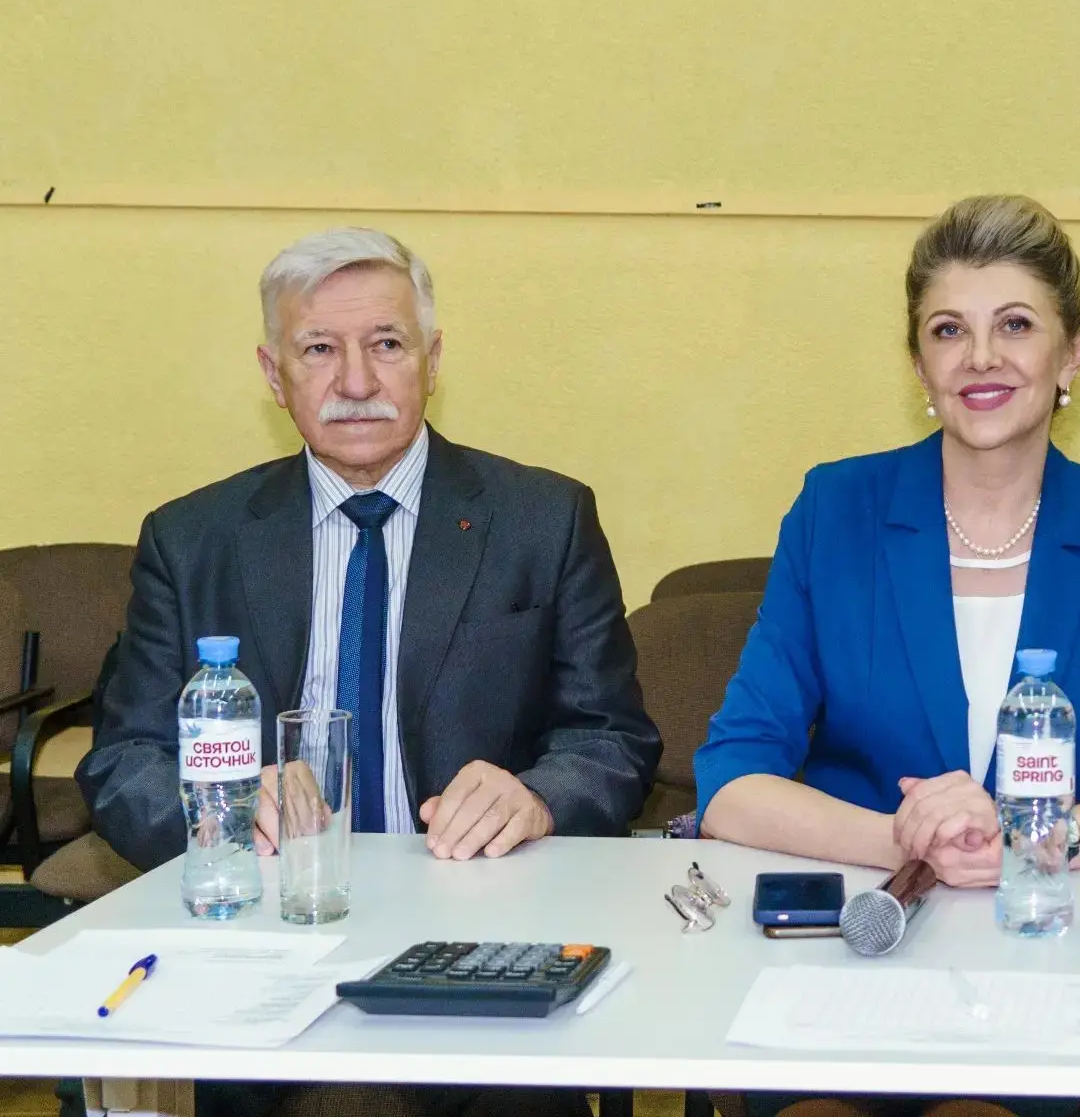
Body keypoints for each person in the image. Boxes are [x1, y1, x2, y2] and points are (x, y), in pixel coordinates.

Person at [78, 227, 661, 1117]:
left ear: (433, 359)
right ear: (275, 376)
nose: (356, 382)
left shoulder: (544, 519)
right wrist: (220, 813)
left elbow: (611, 736)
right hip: (267, 936)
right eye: (319, 349)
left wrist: (539, 796)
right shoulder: (192, 539)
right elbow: (125, 760)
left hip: (486, 931)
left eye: (386, 344)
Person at [696, 194, 1080, 885]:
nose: (981, 357)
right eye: (949, 331)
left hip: (1056, 916)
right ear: (920, 366)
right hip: (874, 908)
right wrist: (908, 842)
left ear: (1072, 355)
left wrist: (1048, 840)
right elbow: (732, 781)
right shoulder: (836, 511)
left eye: (1015, 325)